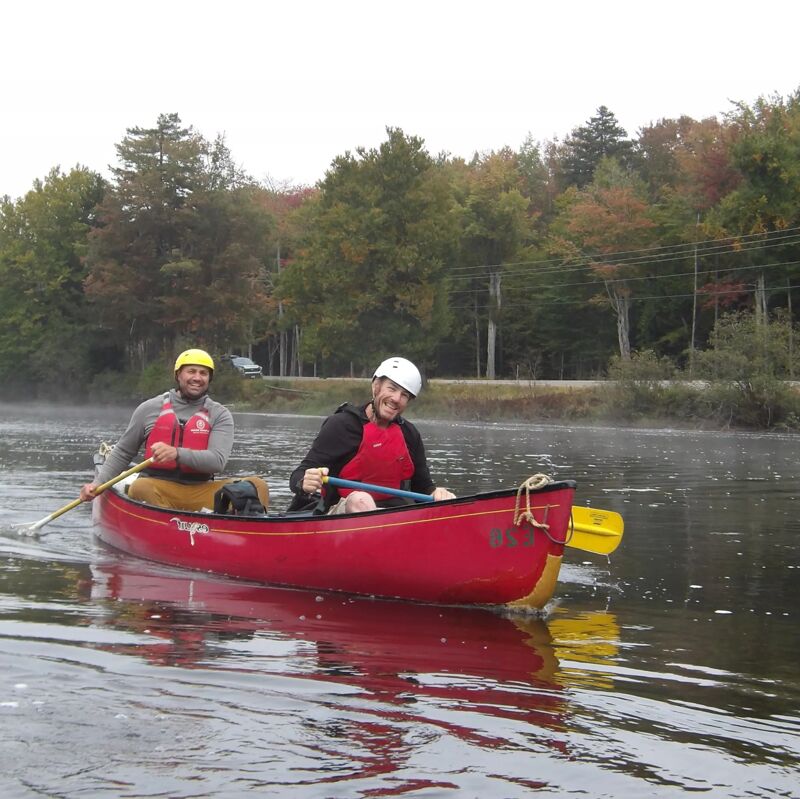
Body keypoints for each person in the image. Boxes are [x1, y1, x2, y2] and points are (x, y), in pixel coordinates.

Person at [79, 348, 269, 512]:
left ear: (209, 378)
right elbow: (123, 452)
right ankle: (172, 526)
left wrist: (176, 453)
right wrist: (98, 484)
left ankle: (249, 536)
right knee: (140, 487)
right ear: (178, 375)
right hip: (158, 487)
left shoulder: (219, 414)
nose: (197, 378)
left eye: (203, 373)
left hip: (200, 489)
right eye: (191, 371)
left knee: (256, 485)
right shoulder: (149, 408)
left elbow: (217, 462)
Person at [289, 356, 455, 514]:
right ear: (376, 386)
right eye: (392, 388)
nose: (396, 398)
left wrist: (438, 493)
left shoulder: (410, 435)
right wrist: (305, 481)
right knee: (361, 500)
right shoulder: (341, 425)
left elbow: (424, 486)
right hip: (339, 513)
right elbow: (299, 474)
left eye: (404, 395)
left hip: (393, 516)